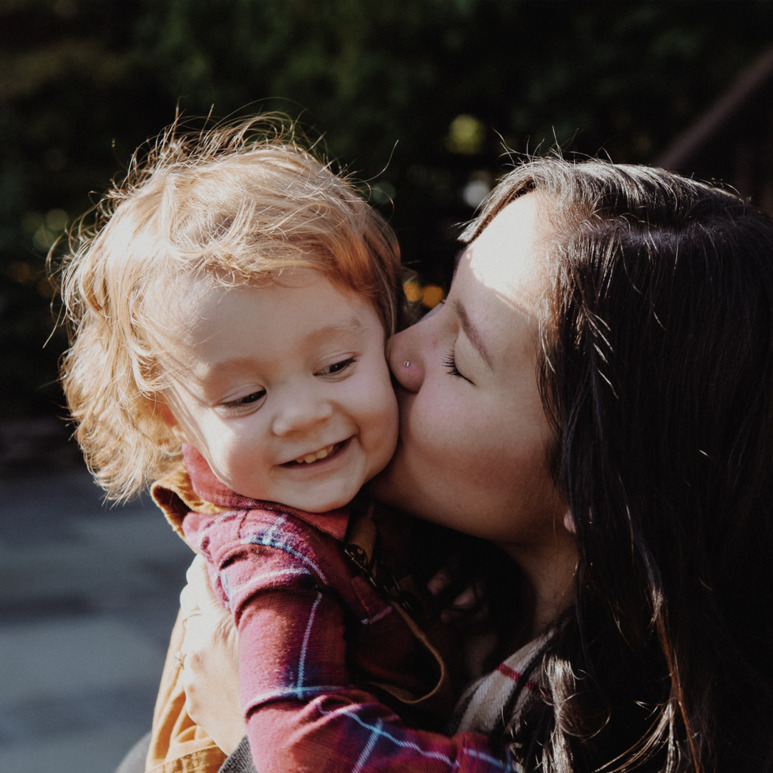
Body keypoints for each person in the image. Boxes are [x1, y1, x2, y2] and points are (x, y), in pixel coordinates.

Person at [172, 156, 773, 772]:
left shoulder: (630, 744)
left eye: (459, 359)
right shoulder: (371, 570)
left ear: (601, 494)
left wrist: (250, 749)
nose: (398, 350)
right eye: (437, 302)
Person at [55, 117, 459, 773]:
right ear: (172, 418)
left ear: (387, 331)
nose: (301, 414)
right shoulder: (271, 555)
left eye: (334, 365)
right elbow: (299, 742)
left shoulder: (372, 501)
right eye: (245, 397)